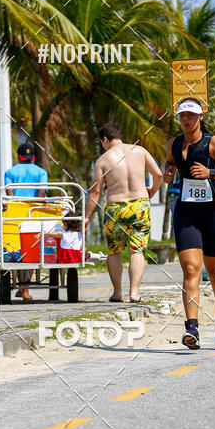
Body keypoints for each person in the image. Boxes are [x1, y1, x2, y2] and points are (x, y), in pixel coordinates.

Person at [164, 98, 215, 349]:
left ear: (200, 117)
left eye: (191, 115)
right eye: (182, 115)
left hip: (213, 212)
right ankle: (192, 328)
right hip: (186, 211)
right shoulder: (173, 144)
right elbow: (169, 163)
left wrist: (212, 173)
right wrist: (168, 171)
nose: (186, 119)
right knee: (190, 269)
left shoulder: (213, 143)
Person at [85, 122, 162, 304]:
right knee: (137, 250)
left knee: (114, 251)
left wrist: (87, 216)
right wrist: (153, 191)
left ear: (105, 139)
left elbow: (96, 192)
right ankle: (134, 293)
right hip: (139, 206)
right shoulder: (140, 151)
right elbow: (158, 174)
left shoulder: (103, 160)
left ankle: (117, 292)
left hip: (116, 208)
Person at [4, 142, 48, 300]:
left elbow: (9, 196)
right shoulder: (41, 172)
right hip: (34, 213)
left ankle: (21, 286)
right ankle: (24, 289)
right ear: (33, 157)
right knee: (31, 249)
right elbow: (41, 195)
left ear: (19, 156)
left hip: (15, 215)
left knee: (15, 248)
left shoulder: (10, 172)